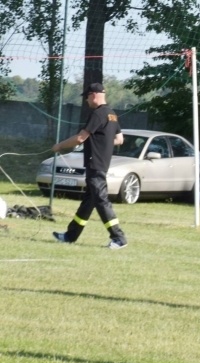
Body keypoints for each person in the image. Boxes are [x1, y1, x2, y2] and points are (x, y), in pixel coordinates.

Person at [52, 82, 127, 249]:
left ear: (93, 95)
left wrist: (60, 146)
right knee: (89, 201)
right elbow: (119, 139)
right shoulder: (112, 114)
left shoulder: (98, 114)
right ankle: (70, 235)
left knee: (101, 200)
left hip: (95, 164)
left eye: (86, 97)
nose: (86, 101)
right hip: (102, 163)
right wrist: (103, 144)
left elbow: (80, 138)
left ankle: (119, 238)